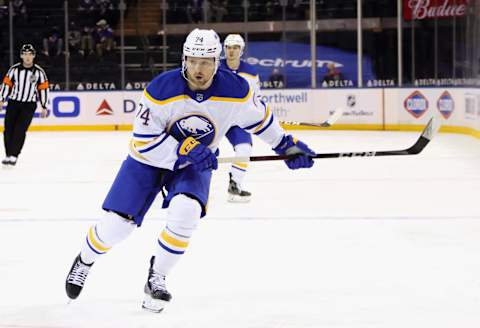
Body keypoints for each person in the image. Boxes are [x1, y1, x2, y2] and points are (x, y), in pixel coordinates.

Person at [64, 28, 315, 313]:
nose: (199, 68)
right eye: (193, 60)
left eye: (206, 61)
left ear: (216, 61)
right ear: (184, 59)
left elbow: (262, 121)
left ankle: (156, 277)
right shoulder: (161, 89)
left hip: (196, 163)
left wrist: (286, 145)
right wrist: (184, 150)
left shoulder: (236, 91)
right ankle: (84, 260)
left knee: (186, 213)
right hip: (147, 162)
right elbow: (144, 141)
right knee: (117, 228)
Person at [220, 33, 261, 202]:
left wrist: (256, 114)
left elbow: (256, 99)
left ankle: (234, 186)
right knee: (199, 151)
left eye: (235, 48)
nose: (231, 51)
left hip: (236, 122)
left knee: (244, 148)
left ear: (241, 50)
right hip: (213, 120)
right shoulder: (214, 68)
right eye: (228, 47)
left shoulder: (250, 73)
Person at [0, 44, 49, 166]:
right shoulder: (14, 69)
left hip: (29, 105)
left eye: (30, 54)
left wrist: (43, 106)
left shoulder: (39, 72)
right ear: (21, 56)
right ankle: (8, 154)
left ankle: (14, 155)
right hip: (13, 103)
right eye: (25, 54)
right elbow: (6, 85)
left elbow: (43, 90)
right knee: (8, 130)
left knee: (20, 130)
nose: (27, 57)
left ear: (33, 56)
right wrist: (1, 100)